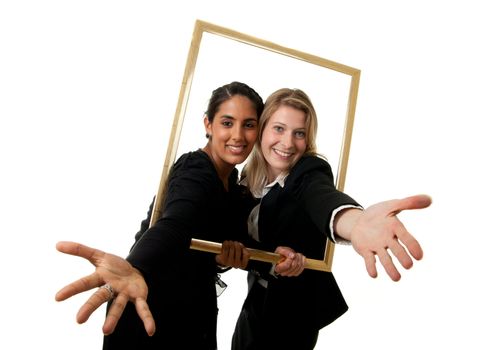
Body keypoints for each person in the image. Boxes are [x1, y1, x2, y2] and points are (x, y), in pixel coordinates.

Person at [55, 81, 303, 350]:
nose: (238, 136)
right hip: (149, 305)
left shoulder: (232, 180)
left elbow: (211, 241)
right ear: (208, 124)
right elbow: (176, 224)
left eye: (249, 124)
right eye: (227, 123)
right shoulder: (195, 170)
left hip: (190, 311)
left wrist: (255, 258)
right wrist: (134, 266)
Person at [231, 88, 432, 350]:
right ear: (262, 129)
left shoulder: (309, 171)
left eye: (299, 133)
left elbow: (322, 197)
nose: (288, 142)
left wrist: (356, 223)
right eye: (279, 129)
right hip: (255, 304)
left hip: (293, 316)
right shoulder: (250, 174)